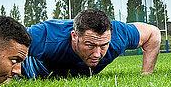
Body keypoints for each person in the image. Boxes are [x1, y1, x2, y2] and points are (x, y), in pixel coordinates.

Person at [22, 8, 161, 78]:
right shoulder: (46, 36)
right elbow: (8, 38)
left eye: (103, 45)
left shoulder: (119, 36)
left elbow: (153, 33)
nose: (97, 54)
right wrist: (11, 73)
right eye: (90, 45)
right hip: (31, 72)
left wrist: (146, 74)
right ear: (74, 36)